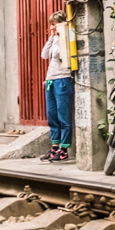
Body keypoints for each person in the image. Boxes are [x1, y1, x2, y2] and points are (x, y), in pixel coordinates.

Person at [40, 12, 74, 162]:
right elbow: (44, 55)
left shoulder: (67, 38)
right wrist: (52, 38)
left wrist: (61, 35)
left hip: (63, 79)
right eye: (51, 24)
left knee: (63, 116)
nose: (51, 27)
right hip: (51, 80)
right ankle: (55, 147)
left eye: (54, 24)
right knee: (52, 115)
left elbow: (62, 54)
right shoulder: (54, 39)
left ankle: (64, 149)